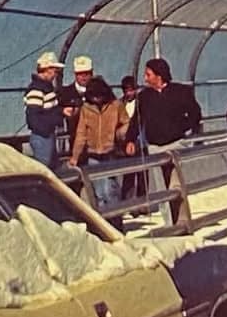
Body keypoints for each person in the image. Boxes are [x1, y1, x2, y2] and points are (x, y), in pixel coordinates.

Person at [136, 58, 203, 226]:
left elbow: (195, 113)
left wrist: (184, 127)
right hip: (154, 147)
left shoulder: (180, 92)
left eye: (148, 74)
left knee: (176, 185)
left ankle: (182, 221)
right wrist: (131, 139)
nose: (145, 78)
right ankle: (169, 224)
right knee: (161, 187)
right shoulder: (144, 96)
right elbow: (137, 120)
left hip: (175, 144)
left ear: (159, 75)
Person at [68, 76, 130, 220]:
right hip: (93, 153)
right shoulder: (86, 109)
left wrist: (119, 134)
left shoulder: (115, 105)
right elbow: (81, 134)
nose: (96, 99)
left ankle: (116, 221)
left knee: (110, 189)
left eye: (99, 96)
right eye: (93, 97)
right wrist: (75, 157)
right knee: (99, 192)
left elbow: (126, 122)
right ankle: (104, 223)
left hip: (110, 152)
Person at [23, 51, 65, 168]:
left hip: (48, 135)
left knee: (52, 168)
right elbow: (33, 118)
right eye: (54, 71)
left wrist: (60, 112)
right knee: (44, 169)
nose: (55, 74)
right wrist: (47, 128)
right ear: (47, 69)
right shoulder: (36, 90)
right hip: (42, 137)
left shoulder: (47, 88)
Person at [118, 75, 148, 204]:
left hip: (140, 141)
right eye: (126, 90)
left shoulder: (142, 102)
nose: (129, 93)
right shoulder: (120, 103)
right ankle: (127, 201)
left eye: (131, 90)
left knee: (143, 174)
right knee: (128, 173)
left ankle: (143, 202)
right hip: (126, 143)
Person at [57, 55, 95, 145]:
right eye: (80, 73)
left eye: (87, 73)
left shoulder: (99, 91)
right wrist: (63, 111)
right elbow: (55, 111)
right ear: (75, 74)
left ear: (92, 73)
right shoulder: (66, 93)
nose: (83, 76)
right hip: (75, 141)